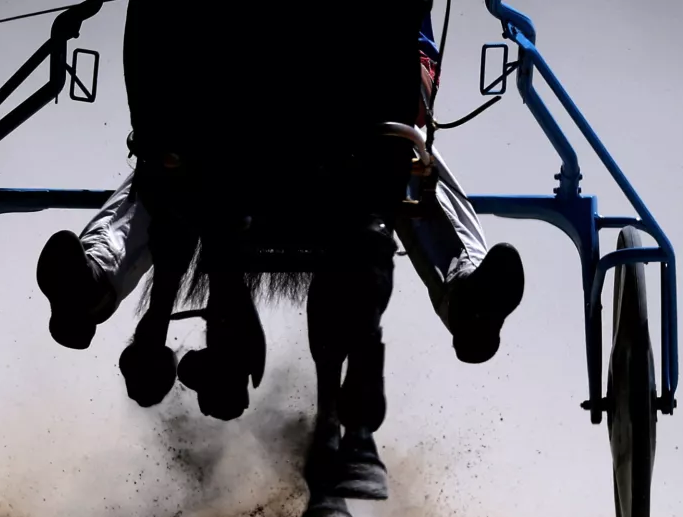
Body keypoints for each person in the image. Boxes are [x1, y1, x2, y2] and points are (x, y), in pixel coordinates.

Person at [36, 14, 525, 365]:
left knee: (166, 171)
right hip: (339, 118)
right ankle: (466, 291)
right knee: (407, 165)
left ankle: (96, 277)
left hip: (258, 116)